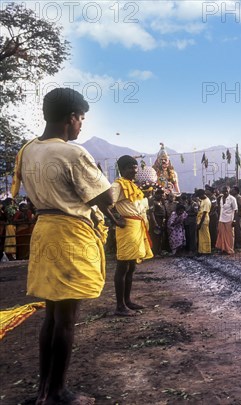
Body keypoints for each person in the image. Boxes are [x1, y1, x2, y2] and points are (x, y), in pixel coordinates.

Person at [12, 87, 114, 404]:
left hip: (44, 232)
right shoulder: (72, 153)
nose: (81, 125)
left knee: (53, 316)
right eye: (81, 119)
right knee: (66, 318)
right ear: (71, 118)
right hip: (69, 234)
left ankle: (43, 391)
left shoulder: (27, 150)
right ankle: (57, 392)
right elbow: (105, 197)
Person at [111, 155, 154, 316]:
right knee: (122, 266)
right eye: (130, 167)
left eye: (135, 167)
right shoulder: (117, 185)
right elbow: (107, 204)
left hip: (137, 227)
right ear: (122, 170)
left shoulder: (133, 186)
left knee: (131, 267)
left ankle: (127, 301)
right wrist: (116, 220)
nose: (134, 170)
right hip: (127, 227)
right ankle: (120, 306)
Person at [215, 186, 237, 255]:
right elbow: (219, 208)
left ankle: (229, 249)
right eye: (223, 191)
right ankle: (223, 249)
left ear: (229, 191)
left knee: (229, 235)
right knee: (221, 234)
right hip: (221, 219)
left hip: (229, 219)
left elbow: (235, 210)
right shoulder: (220, 198)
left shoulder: (232, 199)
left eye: (226, 191)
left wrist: (234, 220)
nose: (225, 192)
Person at [148, 188, 166, 256]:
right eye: (161, 195)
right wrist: (155, 223)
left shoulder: (161, 202)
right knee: (155, 237)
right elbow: (152, 213)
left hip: (161, 220)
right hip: (156, 220)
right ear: (157, 194)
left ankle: (159, 250)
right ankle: (154, 252)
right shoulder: (153, 201)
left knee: (160, 237)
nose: (162, 197)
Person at [196, 189, 212, 255]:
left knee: (205, 236)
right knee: (201, 236)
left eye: (199, 196)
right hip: (199, 220)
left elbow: (204, 213)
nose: (199, 197)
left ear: (202, 195)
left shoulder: (207, 202)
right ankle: (202, 250)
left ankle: (207, 250)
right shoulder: (203, 200)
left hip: (204, 221)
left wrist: (200, 224)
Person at [230, 186, 241, 250]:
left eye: (233, 190)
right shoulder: (234, 197)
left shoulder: (238, 196)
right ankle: (237, 245)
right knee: (236, 230)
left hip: (238, 214)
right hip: (235, 214)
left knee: (238, 230)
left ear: (236, 191)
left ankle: (240, 246)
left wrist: (237, 207)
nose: (231, 191)